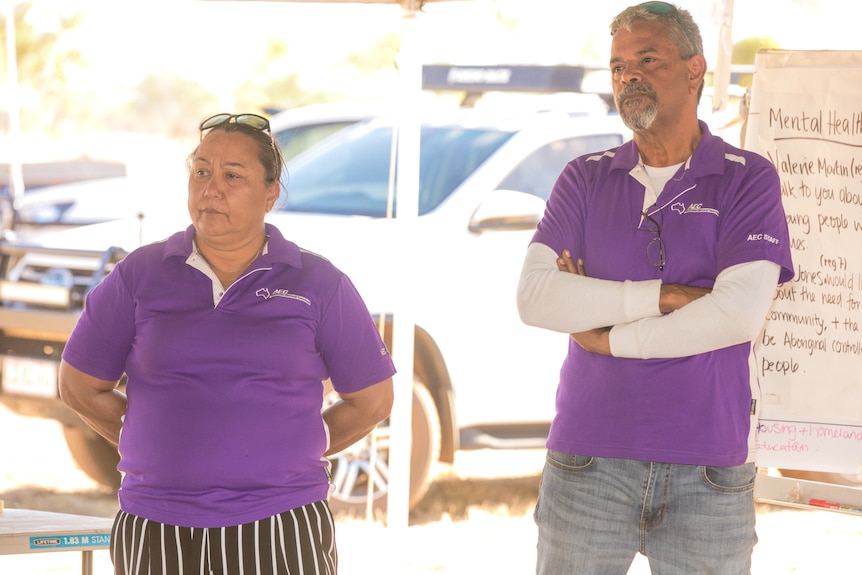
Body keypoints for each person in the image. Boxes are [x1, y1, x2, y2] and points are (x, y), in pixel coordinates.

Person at [516, 3, 794, 574]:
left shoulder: (747, 176)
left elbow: (737, 314)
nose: (628, 77)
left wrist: (608, 336)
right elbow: (537, 299)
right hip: (587, 461)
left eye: (647, 60)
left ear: (696, 70)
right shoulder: (585, 176)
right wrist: (664, 296)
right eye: (617, 66)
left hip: (708, 469)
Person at [58, 113, 395, 575]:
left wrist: (294, 449)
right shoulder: (140, 274)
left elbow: (373, 399)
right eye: (201, 171)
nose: (210, 189)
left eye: (232, 176)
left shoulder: (318, 283)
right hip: (157, 523)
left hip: (282, 525)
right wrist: (148, 439)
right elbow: (78, 384)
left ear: (271, 194)